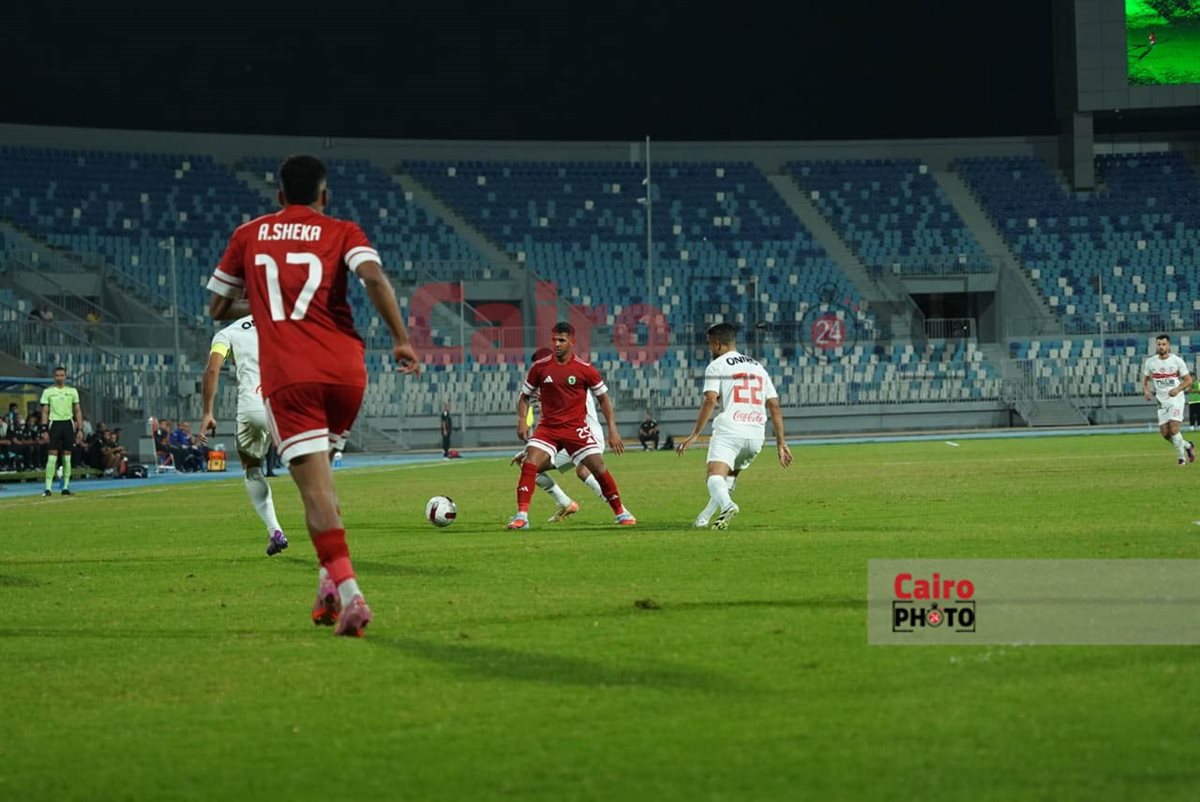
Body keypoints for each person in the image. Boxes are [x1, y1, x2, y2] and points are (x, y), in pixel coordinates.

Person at [207, 153, 420, 638]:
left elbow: (217, 305)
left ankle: (350, 594)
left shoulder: (250, 233)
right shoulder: (343, 231)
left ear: (279, 196)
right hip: (347, 372)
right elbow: (373, 279)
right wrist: (401, 339)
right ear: (325, 197)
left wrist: (260, 294)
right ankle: (327, 586)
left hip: (293, 379)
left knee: (314, 493)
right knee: (325, 486)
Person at [508, 322, 633, 530]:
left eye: (561, 340)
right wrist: (522, 420)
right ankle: (522, 516)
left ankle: (621, 512)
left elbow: (604, 398)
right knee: (530, 462)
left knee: (597, 468)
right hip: (548, 429)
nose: (556, 344)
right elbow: (524, 397)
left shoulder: (585, 370)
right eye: (554, 340)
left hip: (577, 430)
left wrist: (613, 430)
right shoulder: (540, 368)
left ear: (572, 342)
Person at [675, 322, 793, 529]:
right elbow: (774, 405)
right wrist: (781, 443)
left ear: (718, 344)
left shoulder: (717, 365)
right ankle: (703, 519)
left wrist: (694, 434)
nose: (710, 350)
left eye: (710, 345)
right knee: (728, 478)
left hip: (730, 430)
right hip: (756, 435)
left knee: (714, 477)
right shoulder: (758, 367)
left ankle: (728, 506)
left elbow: (711, 400)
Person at [199, 315, 289, 556]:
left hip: (250, 408)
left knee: (251, 468)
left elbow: (212, 368)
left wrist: (207, 412)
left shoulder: (227, 333)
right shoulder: (283, 320)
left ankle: (275, 531)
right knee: (308, 463)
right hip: (279, 403)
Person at [1142, 334, 1194, 467]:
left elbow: (1188, 380)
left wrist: (1177, 389)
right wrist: (1146, 391)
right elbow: (1146, 380)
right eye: (1159, 344)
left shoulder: (1177, 361)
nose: (1161, 347)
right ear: (1156, 346)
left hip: (1176, 398)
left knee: (1174, 427)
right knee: (1165, 434)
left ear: (1169, 345)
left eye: (1164, 344)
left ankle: (1181, 459)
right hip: (1162, 400)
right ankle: (1188, 445)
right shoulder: (1151, 362)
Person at [39, 366, 83, 497]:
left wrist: (80, 429)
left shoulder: (72, 391)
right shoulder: (48, 392)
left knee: (67, 457)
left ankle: (65, 487)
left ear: (66, 376)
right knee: (52, 456)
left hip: (68, 424)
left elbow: (77, 411)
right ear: (54, 377)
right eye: (57, 375)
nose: (60, 377)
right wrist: (44, 428)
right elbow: (45, 411)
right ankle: (48, 488)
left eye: (62, 375)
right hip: (54, 424)